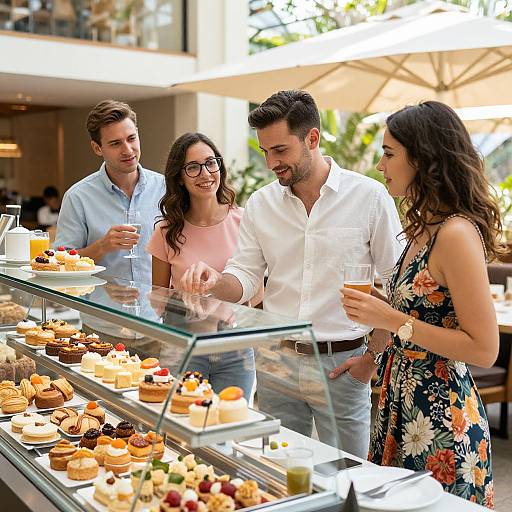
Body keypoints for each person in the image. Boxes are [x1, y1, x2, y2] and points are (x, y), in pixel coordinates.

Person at [179, 90, 403, 457]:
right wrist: (214, 281)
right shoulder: (262, 204)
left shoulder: (369, 197)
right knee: (276, 469)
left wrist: (371, 360)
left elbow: (398, 284)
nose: (271, 163)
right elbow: (245, 275)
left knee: (347, 479)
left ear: (312, 138)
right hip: (275, 364)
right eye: (265, 151)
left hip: (343, 365)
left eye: (280, 150)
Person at [341, 101, 500, 507]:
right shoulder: (421, 229)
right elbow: (415, 313)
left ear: (424, 157)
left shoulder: (455, 234)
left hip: (441, 418)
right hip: (400, 407)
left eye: (389, 153)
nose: (380, 165)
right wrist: (380, 326)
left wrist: (393, 318)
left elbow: (484, 349)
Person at [146, 132, 258, 399]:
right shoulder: (166, 231)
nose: (206, 173)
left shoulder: (244, 222)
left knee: (229, 427)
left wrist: (223, 286)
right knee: (182, 428)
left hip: (235, 349)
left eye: (211, 163)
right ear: (180, 178)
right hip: (184, 348)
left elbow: (258, 293)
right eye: (193, 167)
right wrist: (183, 295)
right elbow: (158, 300)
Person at [55, 99, 165, 284]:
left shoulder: (165, 188)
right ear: (97, 148)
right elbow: (60, 263)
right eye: (115, 144)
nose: (128, 150)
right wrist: (101, 247)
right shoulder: (78, 197)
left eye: (131, 138)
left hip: (155, 311)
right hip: (100, 311)